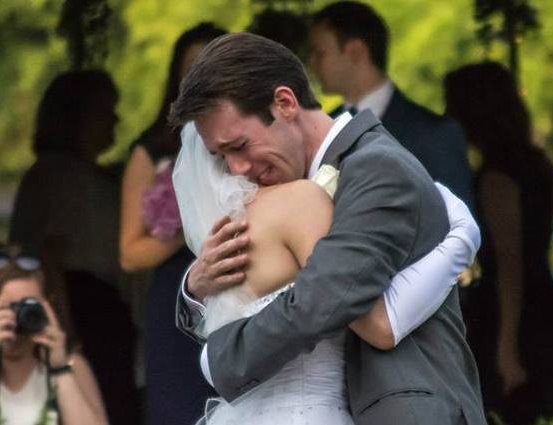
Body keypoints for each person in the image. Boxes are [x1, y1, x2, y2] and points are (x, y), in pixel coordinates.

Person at [171, 33, 486, 424]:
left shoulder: (374, 166)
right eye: (222, 156)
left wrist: (216, 361)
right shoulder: (292, 190)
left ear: (285, 103)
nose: (235, 169)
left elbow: (331, 301)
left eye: (239, 146)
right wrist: (193, 290)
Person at [9, 70, 137, 424]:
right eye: (104, 110)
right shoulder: (54, 176)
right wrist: (65, 330)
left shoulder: (100, 176)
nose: (114, 119)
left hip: (110, 309)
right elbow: (46, 256)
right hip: (81, 309)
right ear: (76, 115)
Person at [119, 23, 226, 425]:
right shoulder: (152, 150)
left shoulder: (250, 141)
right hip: (176, 296)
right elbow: (129, 254)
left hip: (238, 284)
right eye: (192, 66)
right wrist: (189, 221)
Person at [444, 62, 553, 421]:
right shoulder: (534, 165)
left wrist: (506, 348)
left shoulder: (497, 177)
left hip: (510, 315)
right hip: (541, 303)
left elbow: (509, 263)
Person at [307, 1, 474, 208]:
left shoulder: (435, 134)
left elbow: (462, 230)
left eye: (319, 53)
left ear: (355, 51)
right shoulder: (322, 131)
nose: (311, 63)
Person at [0, 247, 108, 425]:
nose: (18, 318)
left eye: (28, 307)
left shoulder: (70, 364)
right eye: (8, 307)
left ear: (48, 308)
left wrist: (61, 370)